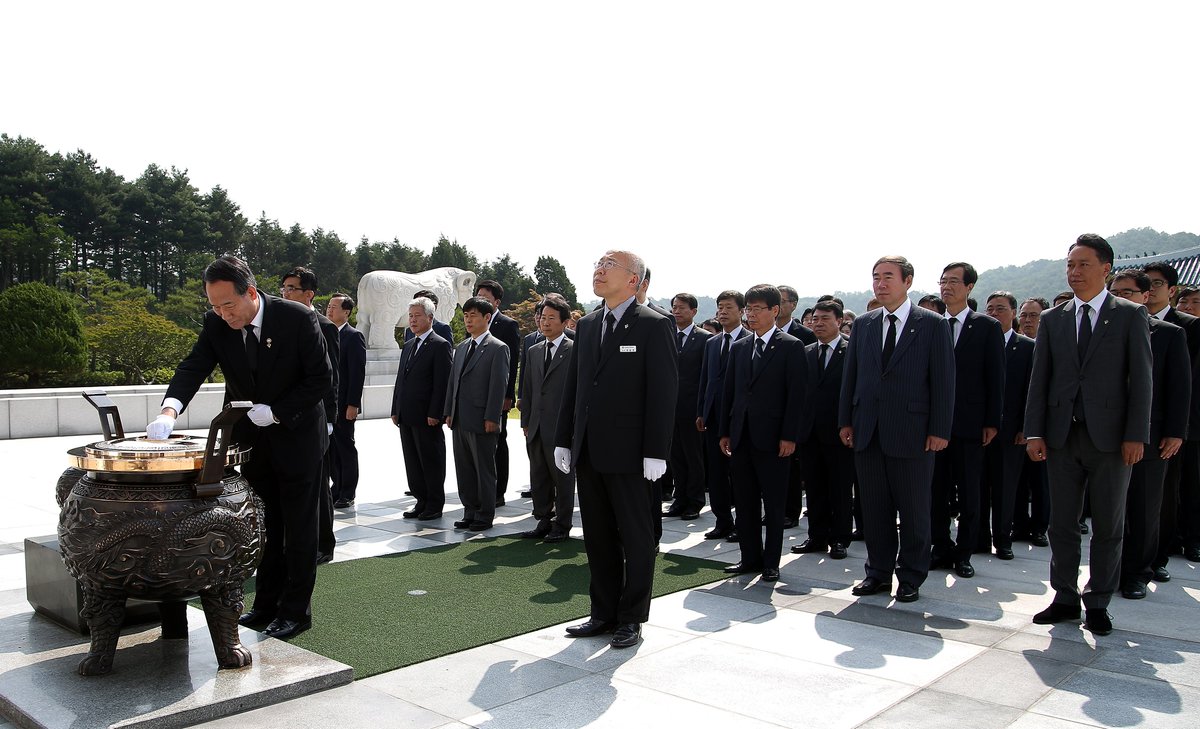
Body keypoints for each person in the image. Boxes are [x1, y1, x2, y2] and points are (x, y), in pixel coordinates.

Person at [148, 255, 331, 640]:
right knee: (263, 523)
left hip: (297, 436)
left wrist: (278, 412)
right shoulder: (217, 323)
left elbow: (320, 378)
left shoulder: (296, 318)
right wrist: (169, 410)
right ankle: (265, 605)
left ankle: (297, 611)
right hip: (252, 439)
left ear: (250, 293)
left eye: (228, 305)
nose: (222, 314)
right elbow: (193, 367)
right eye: (214, 306)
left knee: (299, 526)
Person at [1025, 234, 1152, 636]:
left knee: (1109, 526)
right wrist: (1034, 432)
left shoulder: (1130, 315)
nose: (1074, 272)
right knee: (1061, 522)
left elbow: (1142, 382)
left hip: (1112, 439)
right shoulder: (1053, 318)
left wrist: (1136, 435)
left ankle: (1097, 601)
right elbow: (1039, 381)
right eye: (1070, 265)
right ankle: (1063, 597)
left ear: (1105, 269)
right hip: (1061, 436)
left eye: (1083, 264)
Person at [555, 250, 677, 649]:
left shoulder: (654, 325)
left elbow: (663, 392)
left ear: (633, 279)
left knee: (637, 537)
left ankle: (631, 617)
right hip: (590, 450)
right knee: (598, 535)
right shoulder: (588, 324)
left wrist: (656, 450)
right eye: (598, 263)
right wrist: (563, 439)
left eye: (610, 265)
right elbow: (574, 387)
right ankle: (602, 612)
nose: (599, 269)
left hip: (632, 453)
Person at [839, 255, 955, 603]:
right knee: (874, 509)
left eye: (888, 276)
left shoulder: (932, 324)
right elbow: (852, 377)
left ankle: (911, 576)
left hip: (913, 432)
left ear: (907, 281)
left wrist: (939, 429)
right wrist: (846, 419)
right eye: (876, 277)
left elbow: (944, 382)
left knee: (915, 510)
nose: (880, 283)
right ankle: (877, 573)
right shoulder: (864, 323)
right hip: (868, 430)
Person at [1108, 269, 1189, 600]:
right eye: (1117, 291)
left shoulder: (1168, 334)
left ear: (1145, 297)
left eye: (1129, 292)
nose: (1121, 297)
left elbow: (1179, 388)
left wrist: (1174, 431)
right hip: (1105, 434)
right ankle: (1108, 571)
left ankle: (1138, 573)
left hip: (1151, 437)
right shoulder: (1102, 330)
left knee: (1144, 507)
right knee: (1109, 509)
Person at [719, 285, 807, 582]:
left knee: (773, 503)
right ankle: (749, 558)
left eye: (758, 309)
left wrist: (789, 436)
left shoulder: (791, 346)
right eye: (749, 309)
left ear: (775, 310)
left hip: (773, 439)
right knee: (744, 502)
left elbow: (797, 396)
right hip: (741, 436)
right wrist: (725, 431)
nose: (751, 314)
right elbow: (729, 393)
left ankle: (771, 562)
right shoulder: (741, 347)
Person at [931, 262, 1004, 579]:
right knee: (935, 491)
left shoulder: (986, 327)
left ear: (969, 286)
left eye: (954, 282)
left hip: (971, 424)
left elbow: (996, 378)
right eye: (943, 282)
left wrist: (992, 420)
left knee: (970, 491)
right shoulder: (930, 325)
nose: (947, 287)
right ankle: (939, 547)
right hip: (934, 425)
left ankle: (964, 553)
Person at [279, 267, 341, 566]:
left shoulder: (324, 326)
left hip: (316, 420)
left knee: (319, 486)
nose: (285, 293)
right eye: (284, 288)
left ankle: (324, 544)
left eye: (292, 288)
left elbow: (330, 379)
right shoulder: (279, 324)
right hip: (287, 419)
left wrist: (329, 420)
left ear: (309, 294)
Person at [1143, 262, 1200, 575]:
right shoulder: (1126, 321)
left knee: (1170, 493)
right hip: (1133, 424)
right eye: (1145, 284)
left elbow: (1187, 382)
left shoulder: (1189, 327)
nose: (1150, 290)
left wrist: (1179, 428)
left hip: (1173, 425)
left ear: (1172, 289)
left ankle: (1159, 556)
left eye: (1157, 284)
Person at [792, 299, 853, 559]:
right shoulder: (805, 353)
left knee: (839, 488)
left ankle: (840, 539)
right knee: (814, 488)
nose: (818, 323)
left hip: (839, 432)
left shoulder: (852, 351)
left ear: (839, 321)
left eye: (825, 318)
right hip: (809, 433)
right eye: (815, 318)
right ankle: (816, 536)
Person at [444, 296, 510, 531]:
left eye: (473, 315)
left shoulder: (498, 348)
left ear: (487, 318)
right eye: (466, 315)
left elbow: (498, 386)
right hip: (460, 419)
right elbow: (453, 383)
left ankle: (484, 514)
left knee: (484, 469)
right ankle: (469, 510)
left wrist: (492, 417)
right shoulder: (461, 347)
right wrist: (449, 412)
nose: (468, 320)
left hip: (483, 420)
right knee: (464, 468)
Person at [979, 291, 1034, 560]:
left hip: (1011, 430)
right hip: (976, 430)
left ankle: (1003, 539)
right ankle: (978, 538)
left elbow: (1031, 391)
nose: (994, 314)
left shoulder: (1026, 347)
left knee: (1004, 488)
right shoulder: (977, 342)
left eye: (1000, 309)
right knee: (976, 487)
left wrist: (1026, 426)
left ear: (1014, 313)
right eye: (990, 309)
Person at [519, 295, 576, 541]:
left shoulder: (574, 350)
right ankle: (543, 518)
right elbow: (529, 389)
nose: (545, 323)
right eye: (543, 318)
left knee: (562, 477)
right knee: (539, 474)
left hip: (561, 426)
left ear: (565, 322)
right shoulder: (533, 350)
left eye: (552, 318)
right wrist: (526, 421)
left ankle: (562, 524)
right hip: (536, 425)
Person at [391, 297, 452, 520]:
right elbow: (401, 380)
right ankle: (421, 500)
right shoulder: (408, 344)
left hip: (427, 416)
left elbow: (441, 383)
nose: (413, 320)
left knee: (430, 460)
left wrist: (435, 413)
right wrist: (395, 408)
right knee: (413, 460)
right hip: (406, 414)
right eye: (410, 316)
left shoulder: (440, 344)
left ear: (430, 318)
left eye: (417, 316)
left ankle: (434, 504)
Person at [696, 290, 751, 541]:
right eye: (720, 307)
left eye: (729, 307)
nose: (723, 312)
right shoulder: (712, 342)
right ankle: (722, 521)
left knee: (740, 475)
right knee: (716, 474)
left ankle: (743, 523)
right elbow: (705, 380)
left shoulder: (751, 341)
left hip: (739, 419)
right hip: (714, 418)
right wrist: (701, 411)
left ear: (742, 311)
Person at [664, 293, 711, 521]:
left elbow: (706, 377)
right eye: (674, 307)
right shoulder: (666, 336)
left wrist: (703, 410)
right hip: (669, 407)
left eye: (682, 308)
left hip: (692, 408)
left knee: (693, 456)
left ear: (693, 311)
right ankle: (679, 498)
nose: (677, 311)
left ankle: (695, 501)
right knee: (675, 457)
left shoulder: (704, 339)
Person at [474, 280, 520, 506]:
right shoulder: (473, 322)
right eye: (478, 295)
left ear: (497, 302)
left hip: (498, 396)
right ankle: (480, 488)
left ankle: (498, 491)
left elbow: (511, 365)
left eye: (486, 298)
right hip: (475, 397)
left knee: (498, 442)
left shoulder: (507, 325)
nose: (481, 300)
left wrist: (507, 395)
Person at [326, 293, 366, 510]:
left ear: (347, 312)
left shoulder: (353, 336)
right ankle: (336, 487)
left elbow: (357, 373)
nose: (329, 310)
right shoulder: (325, 332)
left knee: (345, 447)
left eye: (334, 307)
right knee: (331, 448)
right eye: (329, 306)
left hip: (344, 404)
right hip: (328, 403)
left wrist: (353, 404)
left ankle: (348, 491)